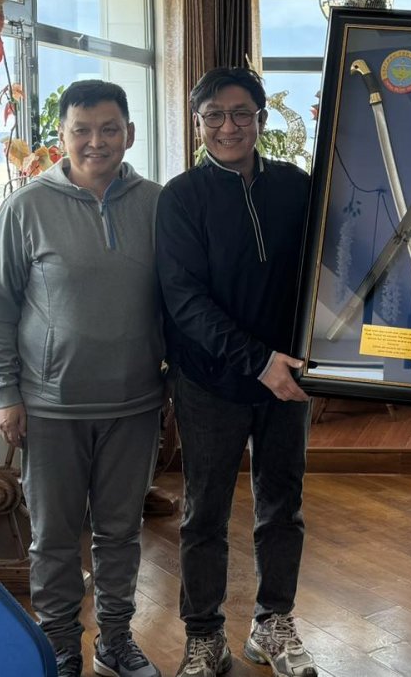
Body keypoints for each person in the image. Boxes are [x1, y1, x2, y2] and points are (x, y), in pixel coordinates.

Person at [0, 80, 164, 677]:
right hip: (50, 407)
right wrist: (5, 393)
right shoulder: (27, 207)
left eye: (109, 129)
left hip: (135, 404)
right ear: (62, 136)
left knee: (121, 532)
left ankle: (115, 640)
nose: (95, 141)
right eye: (82, 130)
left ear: (129, 134)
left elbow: (180, 299)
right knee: (54, 538)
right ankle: (59, 645)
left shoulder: (158, 204)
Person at [155, 67, 316, 677]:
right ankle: (204, 637)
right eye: (215, 116)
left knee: (283, 506)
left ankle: (273, 624)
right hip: (208, 383)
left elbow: (328, 269)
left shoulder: (297, 187)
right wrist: (258, 361)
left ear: (261, 120)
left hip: (289, 382)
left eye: (242, 113)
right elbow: (185, 301)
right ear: (198, 124)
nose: (229, 126)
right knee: (204, 514)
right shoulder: (181, 197)